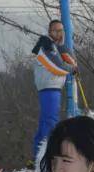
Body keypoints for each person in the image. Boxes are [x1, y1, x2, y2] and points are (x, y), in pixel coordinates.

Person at [31, 19, 78, 163]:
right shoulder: (46, 45)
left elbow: (69, 59)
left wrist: (64, 49)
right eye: (56, 30)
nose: (59, 33)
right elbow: (56, 67)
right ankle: (46, 157)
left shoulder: (55, 46)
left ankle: (37, 156)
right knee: (50, 122)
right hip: (49, 88)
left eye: (61, 30)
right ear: (50, 32)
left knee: (45, 123)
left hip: (52, 88)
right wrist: (72, 69)